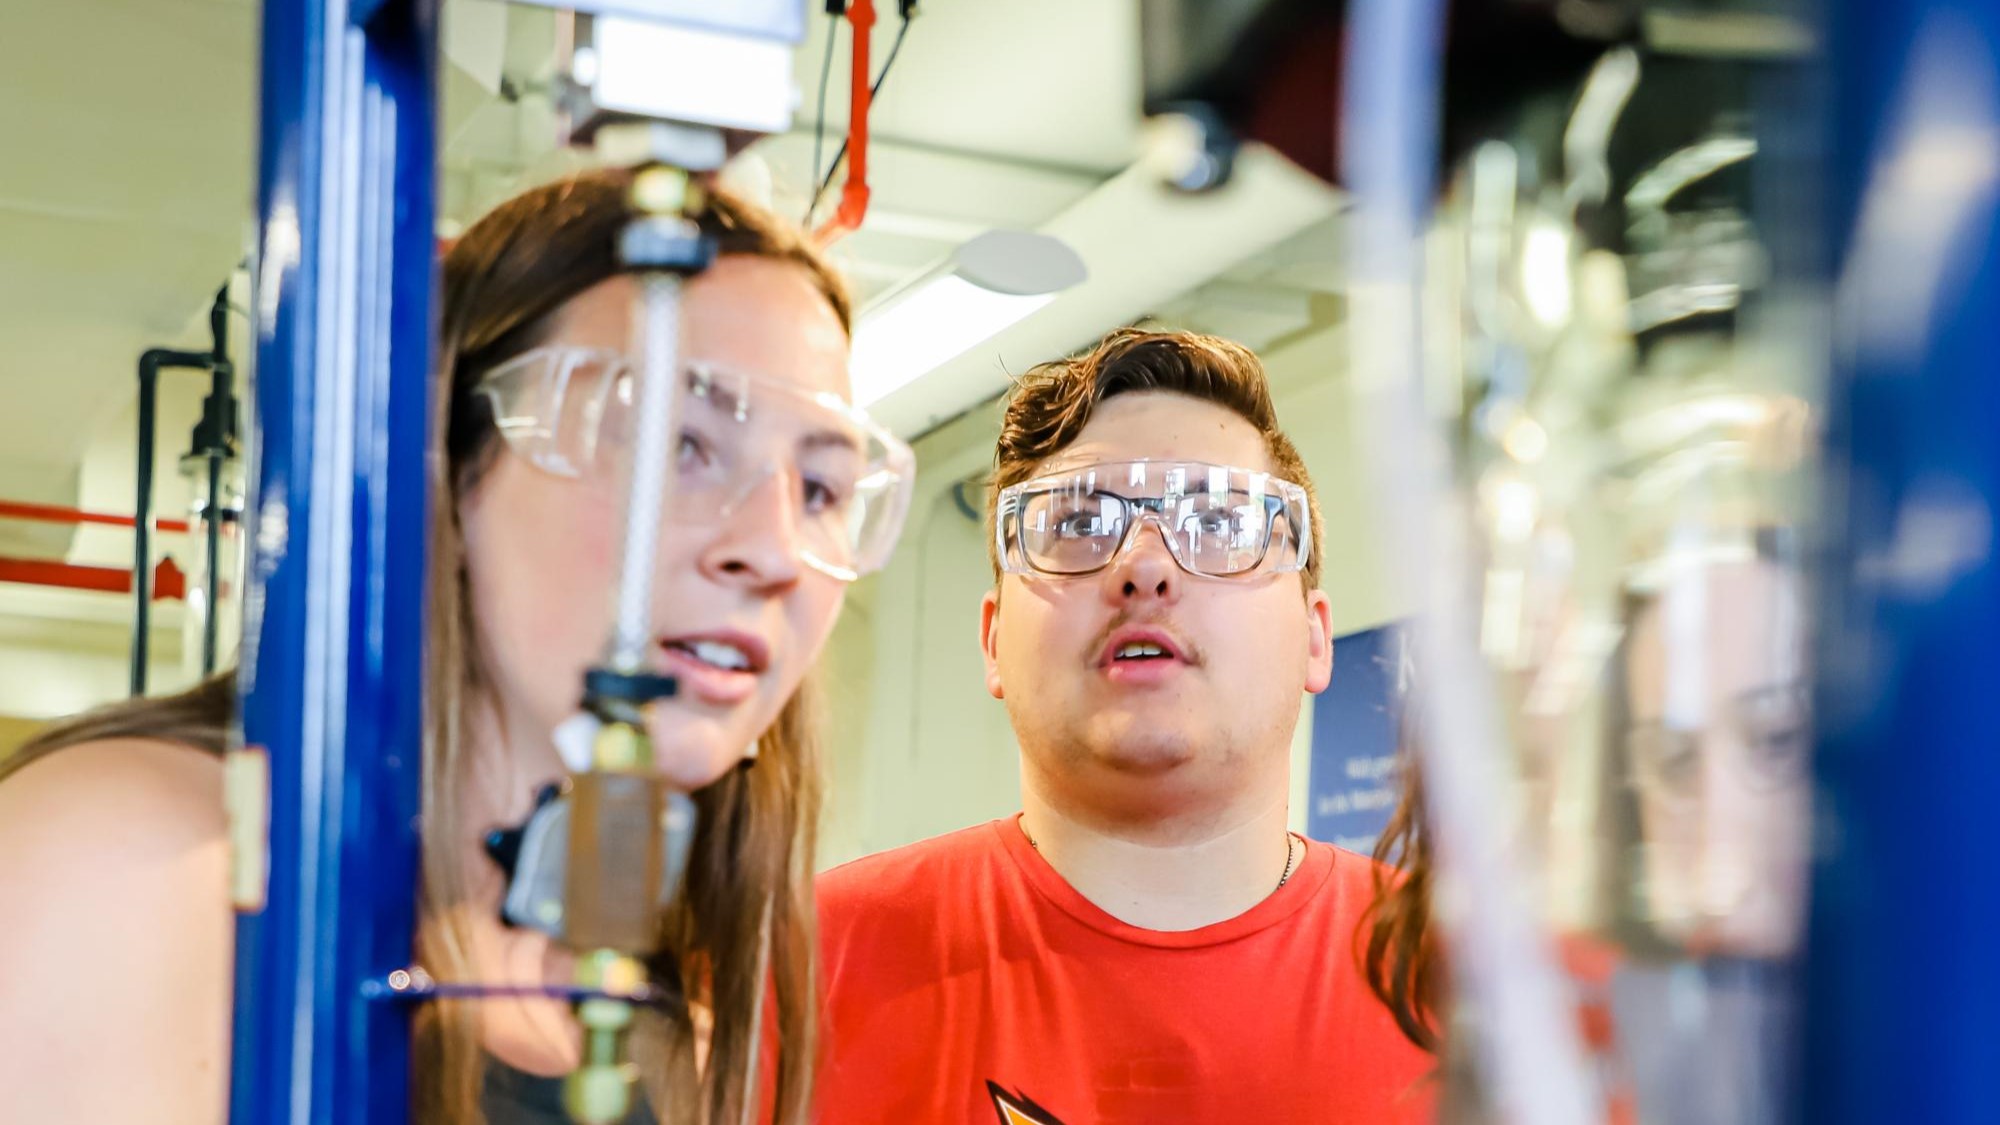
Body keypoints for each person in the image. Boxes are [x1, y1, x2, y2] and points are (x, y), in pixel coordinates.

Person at [0, 168, 914, 1125]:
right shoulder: (139, 865)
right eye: (671, 444)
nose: (772, 548)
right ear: (450, 468)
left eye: (821, 490)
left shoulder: (663, 1033)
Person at [814, 328, 1434, 1123]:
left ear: (1315, 637)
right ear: (994, 638)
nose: (1146, 565)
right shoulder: (803, 971)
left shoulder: (1485, 991)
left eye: (1218, 523)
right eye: (1075, 525)